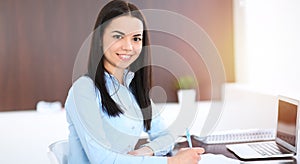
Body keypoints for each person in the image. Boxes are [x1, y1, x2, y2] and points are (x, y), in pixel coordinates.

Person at [65, 0, 205, 163]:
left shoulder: (132, 87)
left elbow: (166, 135)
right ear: (100, 38)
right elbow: (101, 160)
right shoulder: (83, 90)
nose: (129, 47)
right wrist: (171, 162)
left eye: (136, 38)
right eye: (118, 36)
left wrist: (146, 151)